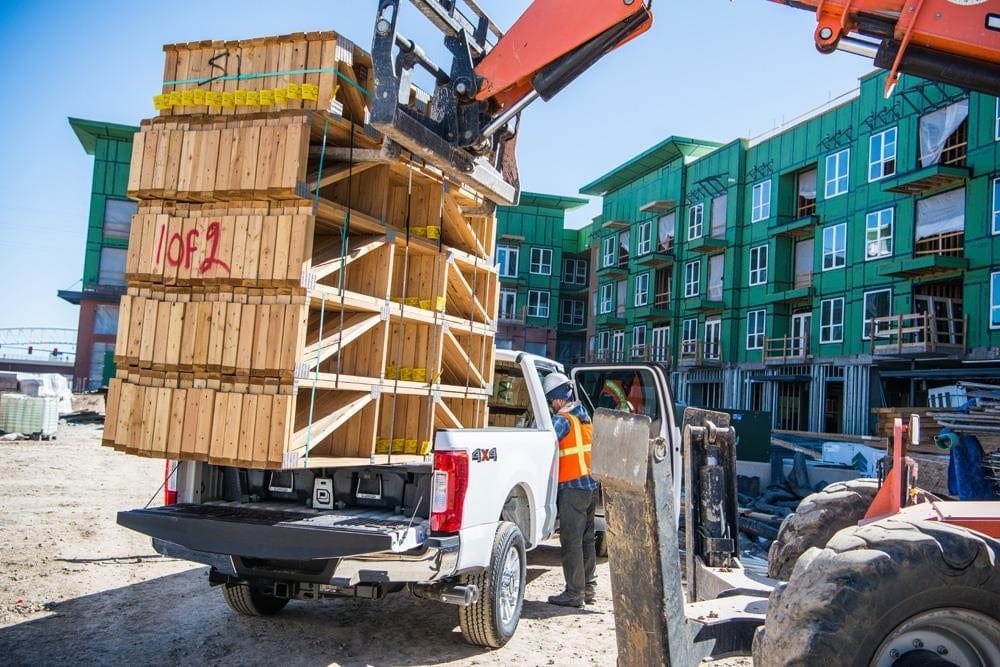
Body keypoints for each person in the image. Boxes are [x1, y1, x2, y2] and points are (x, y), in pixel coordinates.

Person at [542, 371, 599, 608]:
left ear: (556, 398)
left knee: (571, 540)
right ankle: (588, 588)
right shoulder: (585, 416)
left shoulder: (563, 419)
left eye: (551, 400)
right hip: (590, 486)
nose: (552, 405)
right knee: (587, 539)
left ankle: (574, 593)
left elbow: (544, 440)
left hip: (573, 488)